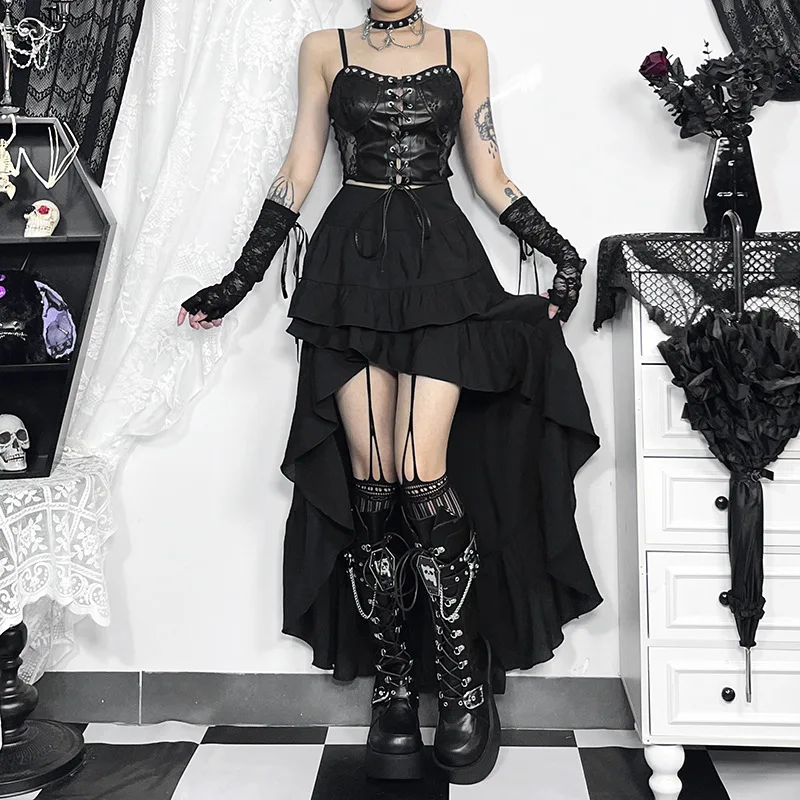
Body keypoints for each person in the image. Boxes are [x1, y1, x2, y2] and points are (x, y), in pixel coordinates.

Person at [178, 1, 601, 786]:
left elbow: (489, 171)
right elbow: (298, 170)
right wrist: (238, 282)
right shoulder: (324, 47)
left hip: (443, 266)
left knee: (419, 472)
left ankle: (464, 683)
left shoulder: (465, 46)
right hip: (349, 266)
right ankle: (395, 685)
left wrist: (561, 251)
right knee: (372, 486)